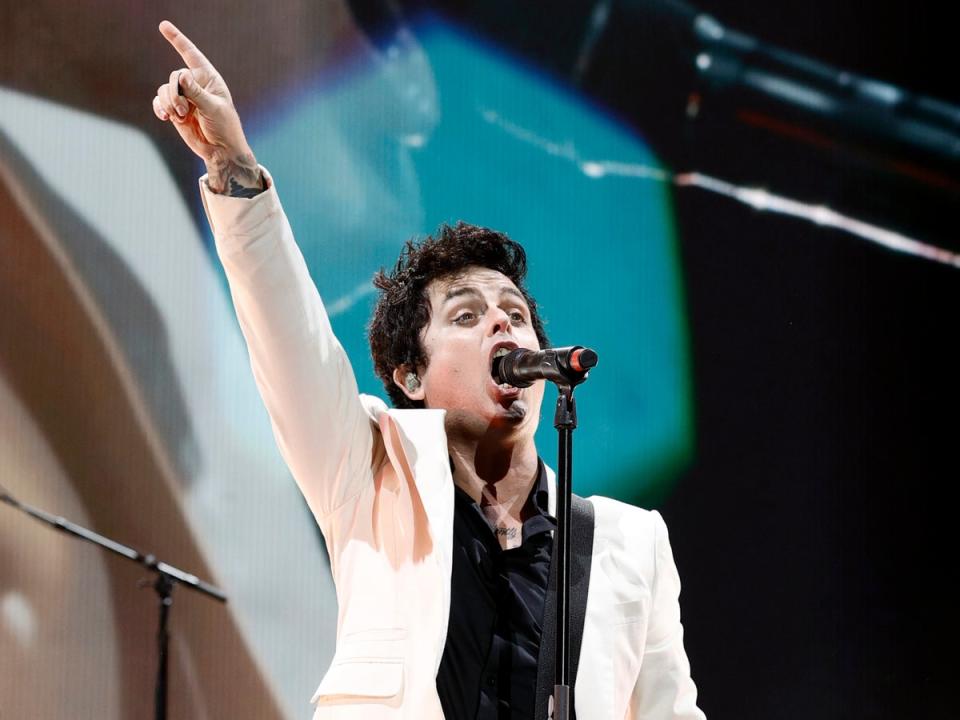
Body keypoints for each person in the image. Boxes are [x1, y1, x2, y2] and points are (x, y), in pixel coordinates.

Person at [152, 19, 705, 720]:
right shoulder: (367, 473)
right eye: (468, 316)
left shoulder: (632, 545)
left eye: (514, 313)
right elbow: (291, 342)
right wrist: (235, 172)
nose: (503, 323)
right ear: (411, 377)